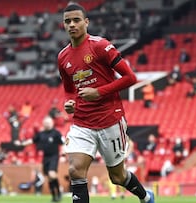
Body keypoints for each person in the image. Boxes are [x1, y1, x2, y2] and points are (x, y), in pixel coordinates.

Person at [57, 3, 154, 203]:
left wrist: (98, 92)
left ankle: (145, 197)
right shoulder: (62, 57)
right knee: (75, 170)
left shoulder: (100, 46)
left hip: (110, 120)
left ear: (86, 22)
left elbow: (130, 77)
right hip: (82, 123)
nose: (72, 25)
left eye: (76, 20)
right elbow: (68, 89)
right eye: (68, 21)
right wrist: (69, 102)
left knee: (117, 177)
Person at [15, 116, 63, 202]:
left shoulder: (56, 133)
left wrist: (63, 154)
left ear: (52, 123)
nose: (47, 124)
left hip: (54, 156)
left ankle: (58, 193)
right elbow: (31, 141)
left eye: (49, 123)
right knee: (49, 177)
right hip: (45, 157)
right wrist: (21, 144)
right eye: (46, 123)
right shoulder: (41, 134)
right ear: (43, 124)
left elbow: (62, 143)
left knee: (52, 174)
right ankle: (54, 196)